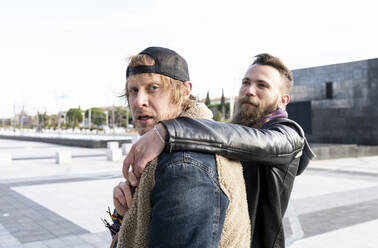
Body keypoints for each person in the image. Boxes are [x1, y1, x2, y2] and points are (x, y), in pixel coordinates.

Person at [122, 53, 315, 248]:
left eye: (262, 85)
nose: (249, 90)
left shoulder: (290, 134)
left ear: (283, 100)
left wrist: (169, 130)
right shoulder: (226, 134)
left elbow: (259, 141)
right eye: (245, 82)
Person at [109, 46, 251, 248]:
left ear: (185, 92)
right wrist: (126, 215)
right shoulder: (172, 151)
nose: (139, 102)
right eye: (133, 90)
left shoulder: (184, 166)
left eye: (153, 88)